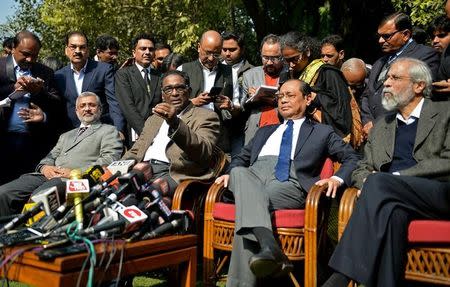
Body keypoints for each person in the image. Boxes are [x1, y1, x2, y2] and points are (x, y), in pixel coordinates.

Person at [216, 79, 360, 287]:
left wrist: (336, 178)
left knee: (248, 207)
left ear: (308, 98)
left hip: (287, 182)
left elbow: (352, 158)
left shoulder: (322, 132)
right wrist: (229, 174)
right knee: (239, 171)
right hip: (252, 177)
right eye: (280, 96)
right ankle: (268, 245)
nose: (283, 100)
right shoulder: (264, 131)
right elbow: (240, 158)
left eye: (290, 95)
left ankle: (256, 262)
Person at [323, 57, 450, 287]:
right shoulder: (382, 125)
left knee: (380, 183)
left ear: (419, 85)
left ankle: (340, 277)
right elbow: (363, 167)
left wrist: (392, 180)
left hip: (438, 194)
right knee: (392, 215)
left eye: (395, 78)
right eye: (387, 78)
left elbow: (448, 161)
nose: (387, 84)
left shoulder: (445, 113)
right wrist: (365, 184)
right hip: (391, 199)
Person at [0, 92, 123, 216]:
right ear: (76, 111)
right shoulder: (66, 135)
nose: (87, 109)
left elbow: (109, 158)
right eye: (82, 106)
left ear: (100, 109)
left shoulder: (108, 130)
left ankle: (27, 233)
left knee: (39, 198)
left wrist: (75, 172)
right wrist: (45, 167)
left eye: (91, 105)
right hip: (45, 176)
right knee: (3, 193)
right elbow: (50, 157)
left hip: (72, 180)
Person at [122, 70, 220, 197]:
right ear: (163, 95)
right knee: (116, 191)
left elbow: (203, 152)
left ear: (189, 91)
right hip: (143, 168)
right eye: (168, 89)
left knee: (149, 197)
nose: (174, 93)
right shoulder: (154, 118)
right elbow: (136, 150)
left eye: (179, 88)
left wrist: (175, 123)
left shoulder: (206, 116)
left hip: (174, 172)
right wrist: (116, 167)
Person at [360, 12, 440, 137]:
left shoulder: (424, 56)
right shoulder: (379, 62)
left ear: (405, 35)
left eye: (386, 36)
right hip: (373, 136)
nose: (381, 41)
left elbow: (415, 98)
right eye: (380, 36)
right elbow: (367, 95)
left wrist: (378, 124)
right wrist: (368, 121)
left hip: (402, 132)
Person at [0, 30, 61, 184]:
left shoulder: (45, 72)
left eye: (35, 55)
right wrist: (12, 88)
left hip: (33, 145)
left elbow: (57, 105)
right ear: (13, 48)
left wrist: (39, 93)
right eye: (25, 54)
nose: (30, 59)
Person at [281, 31, 353, 140]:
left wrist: (315, 98)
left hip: (321, 137)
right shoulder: (288, 75)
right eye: (287, 60)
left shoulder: (327, 72)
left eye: (295, 59)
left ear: (307, 52)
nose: (291, 65)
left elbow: (340, 109)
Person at [55, 31, 125, 135]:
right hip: (71, 133)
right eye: (73, 47)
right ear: (66, 50)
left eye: (82, 47)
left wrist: (118, 129)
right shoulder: (59, 76)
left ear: (87, 50)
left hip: (100, 131)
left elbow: (113, 102)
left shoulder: (103, 70)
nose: (77, 51)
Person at [178, 30, 234, 153]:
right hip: (190, 132)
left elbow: (239, 106)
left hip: (220, 136)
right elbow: (173, 105)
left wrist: (230, 105)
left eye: (216, 54)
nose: (211, 58)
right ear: (199, 47)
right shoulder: (183, 70)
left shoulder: (230, 72)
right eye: (207, 53)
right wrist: (192, 102)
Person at [115, 33, 162, 146]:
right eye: (142, 49)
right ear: (134, 52)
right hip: (135, 133)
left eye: (150, 49)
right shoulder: (123, 74)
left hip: (159, 132)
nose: (147, 52)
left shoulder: (160, 75)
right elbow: (128, 107)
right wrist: (146, 133)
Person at [241, 34, 288, 145]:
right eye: (265, 57)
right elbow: (242, 107)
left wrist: (278, 100)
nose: (269, 62)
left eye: (274, 58)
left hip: (281, 131)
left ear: (282, 56)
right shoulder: (249, 75)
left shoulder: (289, 74)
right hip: (255, 133)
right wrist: (250, 97)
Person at [221, 31, 254, 155]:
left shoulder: (252, 71)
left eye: (232, 49)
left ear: (242, 49)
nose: (228, 54)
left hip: (241, 127)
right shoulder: (214, 68)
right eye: (224, 49)